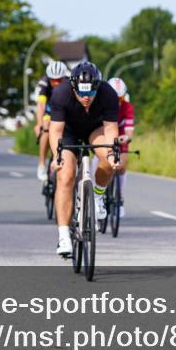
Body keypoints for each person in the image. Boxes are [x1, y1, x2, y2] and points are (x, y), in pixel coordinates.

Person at [48, 61, 122, 256]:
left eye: (90, 93)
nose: (86, 98)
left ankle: (97, 195)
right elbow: (55, 130)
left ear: (97, 87)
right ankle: (64, 236)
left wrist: (114, 154)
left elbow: (111, 129)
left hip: (95, 129)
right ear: (73, 87)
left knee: (108, 158)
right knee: (66, 175)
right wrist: (57, 157)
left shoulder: (108, 93)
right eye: (81, 93)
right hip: (69, 132)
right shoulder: (61, 93)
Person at [95, 76, 134, 218]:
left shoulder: (128, 107)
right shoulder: (100, 105)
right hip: (105, 137)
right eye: (115, 98)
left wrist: (126, 137)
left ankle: (119, 199)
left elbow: (129, 131)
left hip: (120, 138)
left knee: (122, 165)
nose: (118, 102)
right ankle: (98, 193)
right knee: (101, 162)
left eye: (121, 99)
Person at [35, 61, 70, 181]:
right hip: (50, 111)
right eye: (53, 80)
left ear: (64, 78)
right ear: (49, 78)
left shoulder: (70, 82)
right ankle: (41, 164)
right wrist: (39, 124)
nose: (56, 83)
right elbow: (41, 105)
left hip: (64, 111)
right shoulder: (45, 83)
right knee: (46, 128)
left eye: (59, 80)